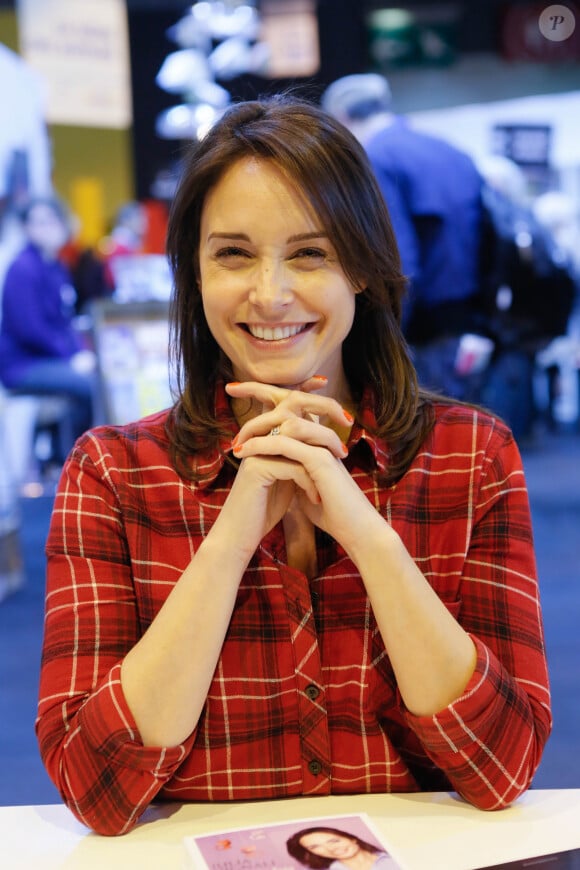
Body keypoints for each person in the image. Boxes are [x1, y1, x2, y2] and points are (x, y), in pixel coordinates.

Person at [36, 94, 551, 837]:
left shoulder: (471, 456)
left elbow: (502, 765)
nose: (270, 294)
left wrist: (365, 532)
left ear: (364, 269)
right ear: (194, 273)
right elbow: (97, 789)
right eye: (234, 254)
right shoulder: (113, 474)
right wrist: (233, 534)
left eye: (310, 253)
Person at [321, 73, 484, 400]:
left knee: (423, 436)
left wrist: (384, 341)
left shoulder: (377, 157)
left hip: (423, 330)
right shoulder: (448, 150)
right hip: (469, 323)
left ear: (342, 118)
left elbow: (398, 259)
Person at [0, 196, 96, 448]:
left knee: (98, 379)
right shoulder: (23, 268)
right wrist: (70, 357)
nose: (46, 228)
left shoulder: (56, 266)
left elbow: (65, 322)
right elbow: (29, 329)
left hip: (50, 359)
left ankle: (66, 454)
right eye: (37, 223)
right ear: (26, 228)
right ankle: (74, 460)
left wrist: (80, 352)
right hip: (23, 365)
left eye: (51, 221)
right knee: (90, 386)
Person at [287, 826, 397, 869]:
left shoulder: (394, 858)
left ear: (352, 838)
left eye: (334, 841)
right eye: (314, 847)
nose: (331, 849)